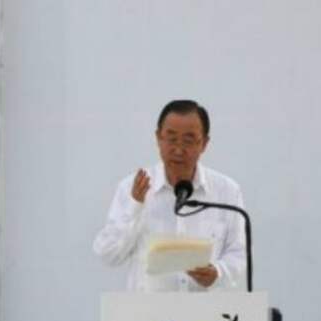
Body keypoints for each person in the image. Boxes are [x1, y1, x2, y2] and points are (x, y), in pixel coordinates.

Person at [93, 99, 246, 292]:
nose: (178, 150)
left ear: (204, 143)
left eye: (188, 140)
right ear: (158, 138)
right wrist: (135, 207)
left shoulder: (227, 192)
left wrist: (218, 271)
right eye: (171, 139)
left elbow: (240, 254)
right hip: (148, 316)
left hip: (205, 315)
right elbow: (108, 254)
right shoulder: (133, 188)